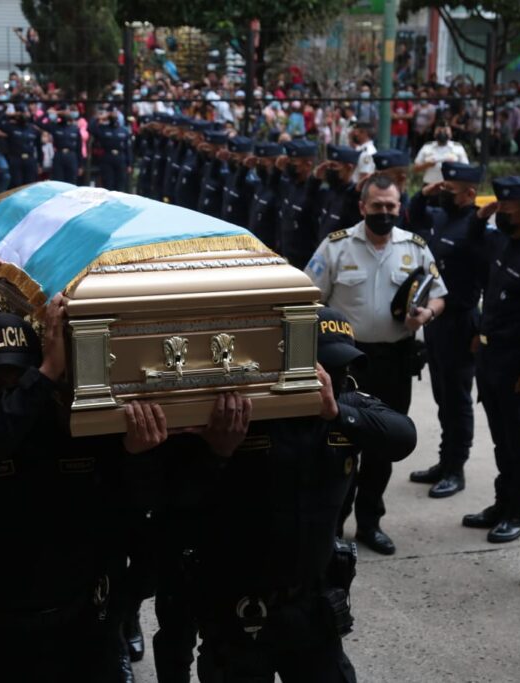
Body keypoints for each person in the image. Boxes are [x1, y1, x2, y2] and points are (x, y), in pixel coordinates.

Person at [0, 291, 168, 680]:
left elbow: (128, 512)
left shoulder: (69, 429)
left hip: (78, 627)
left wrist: (136, 454)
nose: (8, 390)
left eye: (17, 377)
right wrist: (43, 376)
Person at [194, 308, 418, 683]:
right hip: (242, 609)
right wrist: (218, 452)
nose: (333, 378)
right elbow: (184, 495)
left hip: (312, 606)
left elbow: (404, 436)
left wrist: (336, 412)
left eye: (342, 367)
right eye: (325, 366)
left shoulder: (344, 406)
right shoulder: (246, 412)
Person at [304, 174, 447, 555]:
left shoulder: (415, 247)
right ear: (362, 206)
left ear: (400, 208)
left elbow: (439, 295)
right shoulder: (336, 247)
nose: (384, 212)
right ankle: (333, 525)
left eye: (390, 206)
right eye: (377, 206)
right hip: (347, 363)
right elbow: (308, 297)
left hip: (395, 360)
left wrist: (427, 314)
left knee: (383, 444)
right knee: (339, 443)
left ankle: (370, 522)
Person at [462, 175, 520, 544]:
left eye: (507, 210)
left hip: (516, 362)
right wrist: (480, 217)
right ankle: (502, 502)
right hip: (490, 356)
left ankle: (518, 511)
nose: (501, 214)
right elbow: (471, 247)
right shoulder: (501, 242)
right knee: (501, 438)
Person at [406, 162, 484, 498]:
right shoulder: (439, 218)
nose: (444, 194)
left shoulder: (476, 226)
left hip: (461, 321)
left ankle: (456, 468)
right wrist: (424, 193)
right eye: (443, 188)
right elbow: (413, 216)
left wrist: (481, 330)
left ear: (470, 194)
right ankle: (444, 460)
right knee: (442, 396)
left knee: (457, 400)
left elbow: (489, 280)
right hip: (435, 320)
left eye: (450, 190)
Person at [275, 140, 323, 269]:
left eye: (293, 161)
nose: (289, 164)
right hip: (286, 258)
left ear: (308, 164)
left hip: (306, 263)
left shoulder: (317, 192)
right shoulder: (291, 185)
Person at [314, 144, 361, 242]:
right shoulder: (328, 192)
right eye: (328, 165)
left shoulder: (353, 198)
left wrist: (329, 240)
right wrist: (314, 181)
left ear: (349, 168)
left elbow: (349, 232)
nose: (329, 169)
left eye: (334, 166)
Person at [245, 142, 285, 249]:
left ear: (275, 163)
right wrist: (244, 168)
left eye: (263, 162)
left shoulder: (281, 188)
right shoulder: (259, 184)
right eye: (258, 161)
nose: (259, 165)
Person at [0, 104, 41, 190]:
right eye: (21, 113)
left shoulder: (33, 128)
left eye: (25, 112)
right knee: (17, 184)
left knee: (30, 185)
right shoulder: (11, 126)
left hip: (30, 160)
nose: (23, 115)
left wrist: (39, 163)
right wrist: (7, 115)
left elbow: (38, 147)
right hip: (16, 159)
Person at [39, 105, 83, 185]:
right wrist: (49, 114)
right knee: (58, 182)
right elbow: (39, 123)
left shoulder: (75, 129)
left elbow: (79, 148)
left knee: (72, 182)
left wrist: (80, 165)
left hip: (71, 156)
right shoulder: (55, 126)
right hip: (59, 155)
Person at [219, 136, 256, 228]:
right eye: (231, 155)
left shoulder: (252, 178)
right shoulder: (230, 173)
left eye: (234, 156)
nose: (231, 159)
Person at [92, 106, 133, 192]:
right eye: (112, 114)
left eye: (115, 113)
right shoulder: (103, 128)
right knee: (108, 185)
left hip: (120, 158)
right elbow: (91, 128)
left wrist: (129, 164)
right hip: (107, 158)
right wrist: (100, 118)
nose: (114, 116)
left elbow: (128, 148)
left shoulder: (124, 130)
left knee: (120, 185)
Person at [196, 130, 229, 217]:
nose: (206, 149)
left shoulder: (226, 170)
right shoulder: (208, 164)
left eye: (209, 147)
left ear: (219, 148)